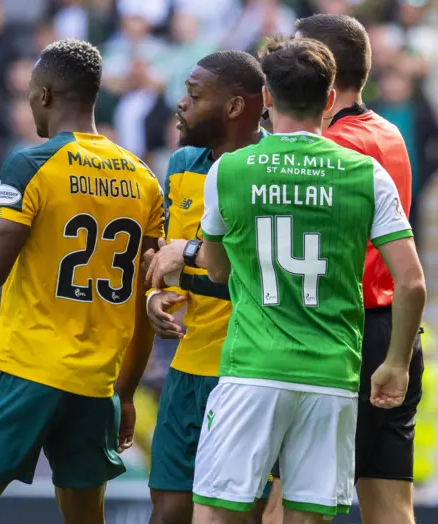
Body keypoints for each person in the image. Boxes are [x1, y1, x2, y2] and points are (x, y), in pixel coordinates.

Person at [150, 37, 426, 524]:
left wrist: (186, 252)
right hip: (332, 375)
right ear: (327, 101)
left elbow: (215, 268)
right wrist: (397, 364)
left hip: (253, 368)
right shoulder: (367, 173)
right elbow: (412, 283)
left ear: (269, 100)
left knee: (214, 514)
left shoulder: (230, 170)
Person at [0, 39, 163, 524]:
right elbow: (142, 303)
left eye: (30, 93)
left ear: (45, 95)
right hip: (96, 385)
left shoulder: (32, 164)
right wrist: (126, 394)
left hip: (25, 370)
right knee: (86, 517)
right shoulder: (144, 180)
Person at [295, 15, 423, 524]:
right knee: (390, 505)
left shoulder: (332, 151)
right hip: (396, 334)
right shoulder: (387, 132)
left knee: (292, 503)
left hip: (341, 333)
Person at [144, 50, 281, 524]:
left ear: (236, 107)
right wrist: (154, 294)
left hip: (248, 371)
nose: (181, 104)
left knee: (241, 515)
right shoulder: (182, 163)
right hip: (186, 368)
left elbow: (249, 274)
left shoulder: (273, 170)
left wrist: (186, 258)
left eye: (195, 95)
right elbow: (162, 257)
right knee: (167, 512)